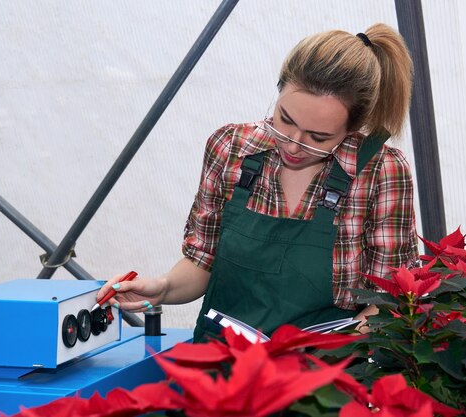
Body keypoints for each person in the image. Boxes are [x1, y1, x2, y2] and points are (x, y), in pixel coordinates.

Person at [96, 23, 420, 341]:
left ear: (353, 127)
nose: (293, 145)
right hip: (224, 368)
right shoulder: (231, 148)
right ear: (279, 89)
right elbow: (201, 263)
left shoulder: (381, 173)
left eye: (318, 137)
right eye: (285, 120)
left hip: (323, 381)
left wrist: (322, 349)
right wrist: (161, 287)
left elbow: (388, 301)